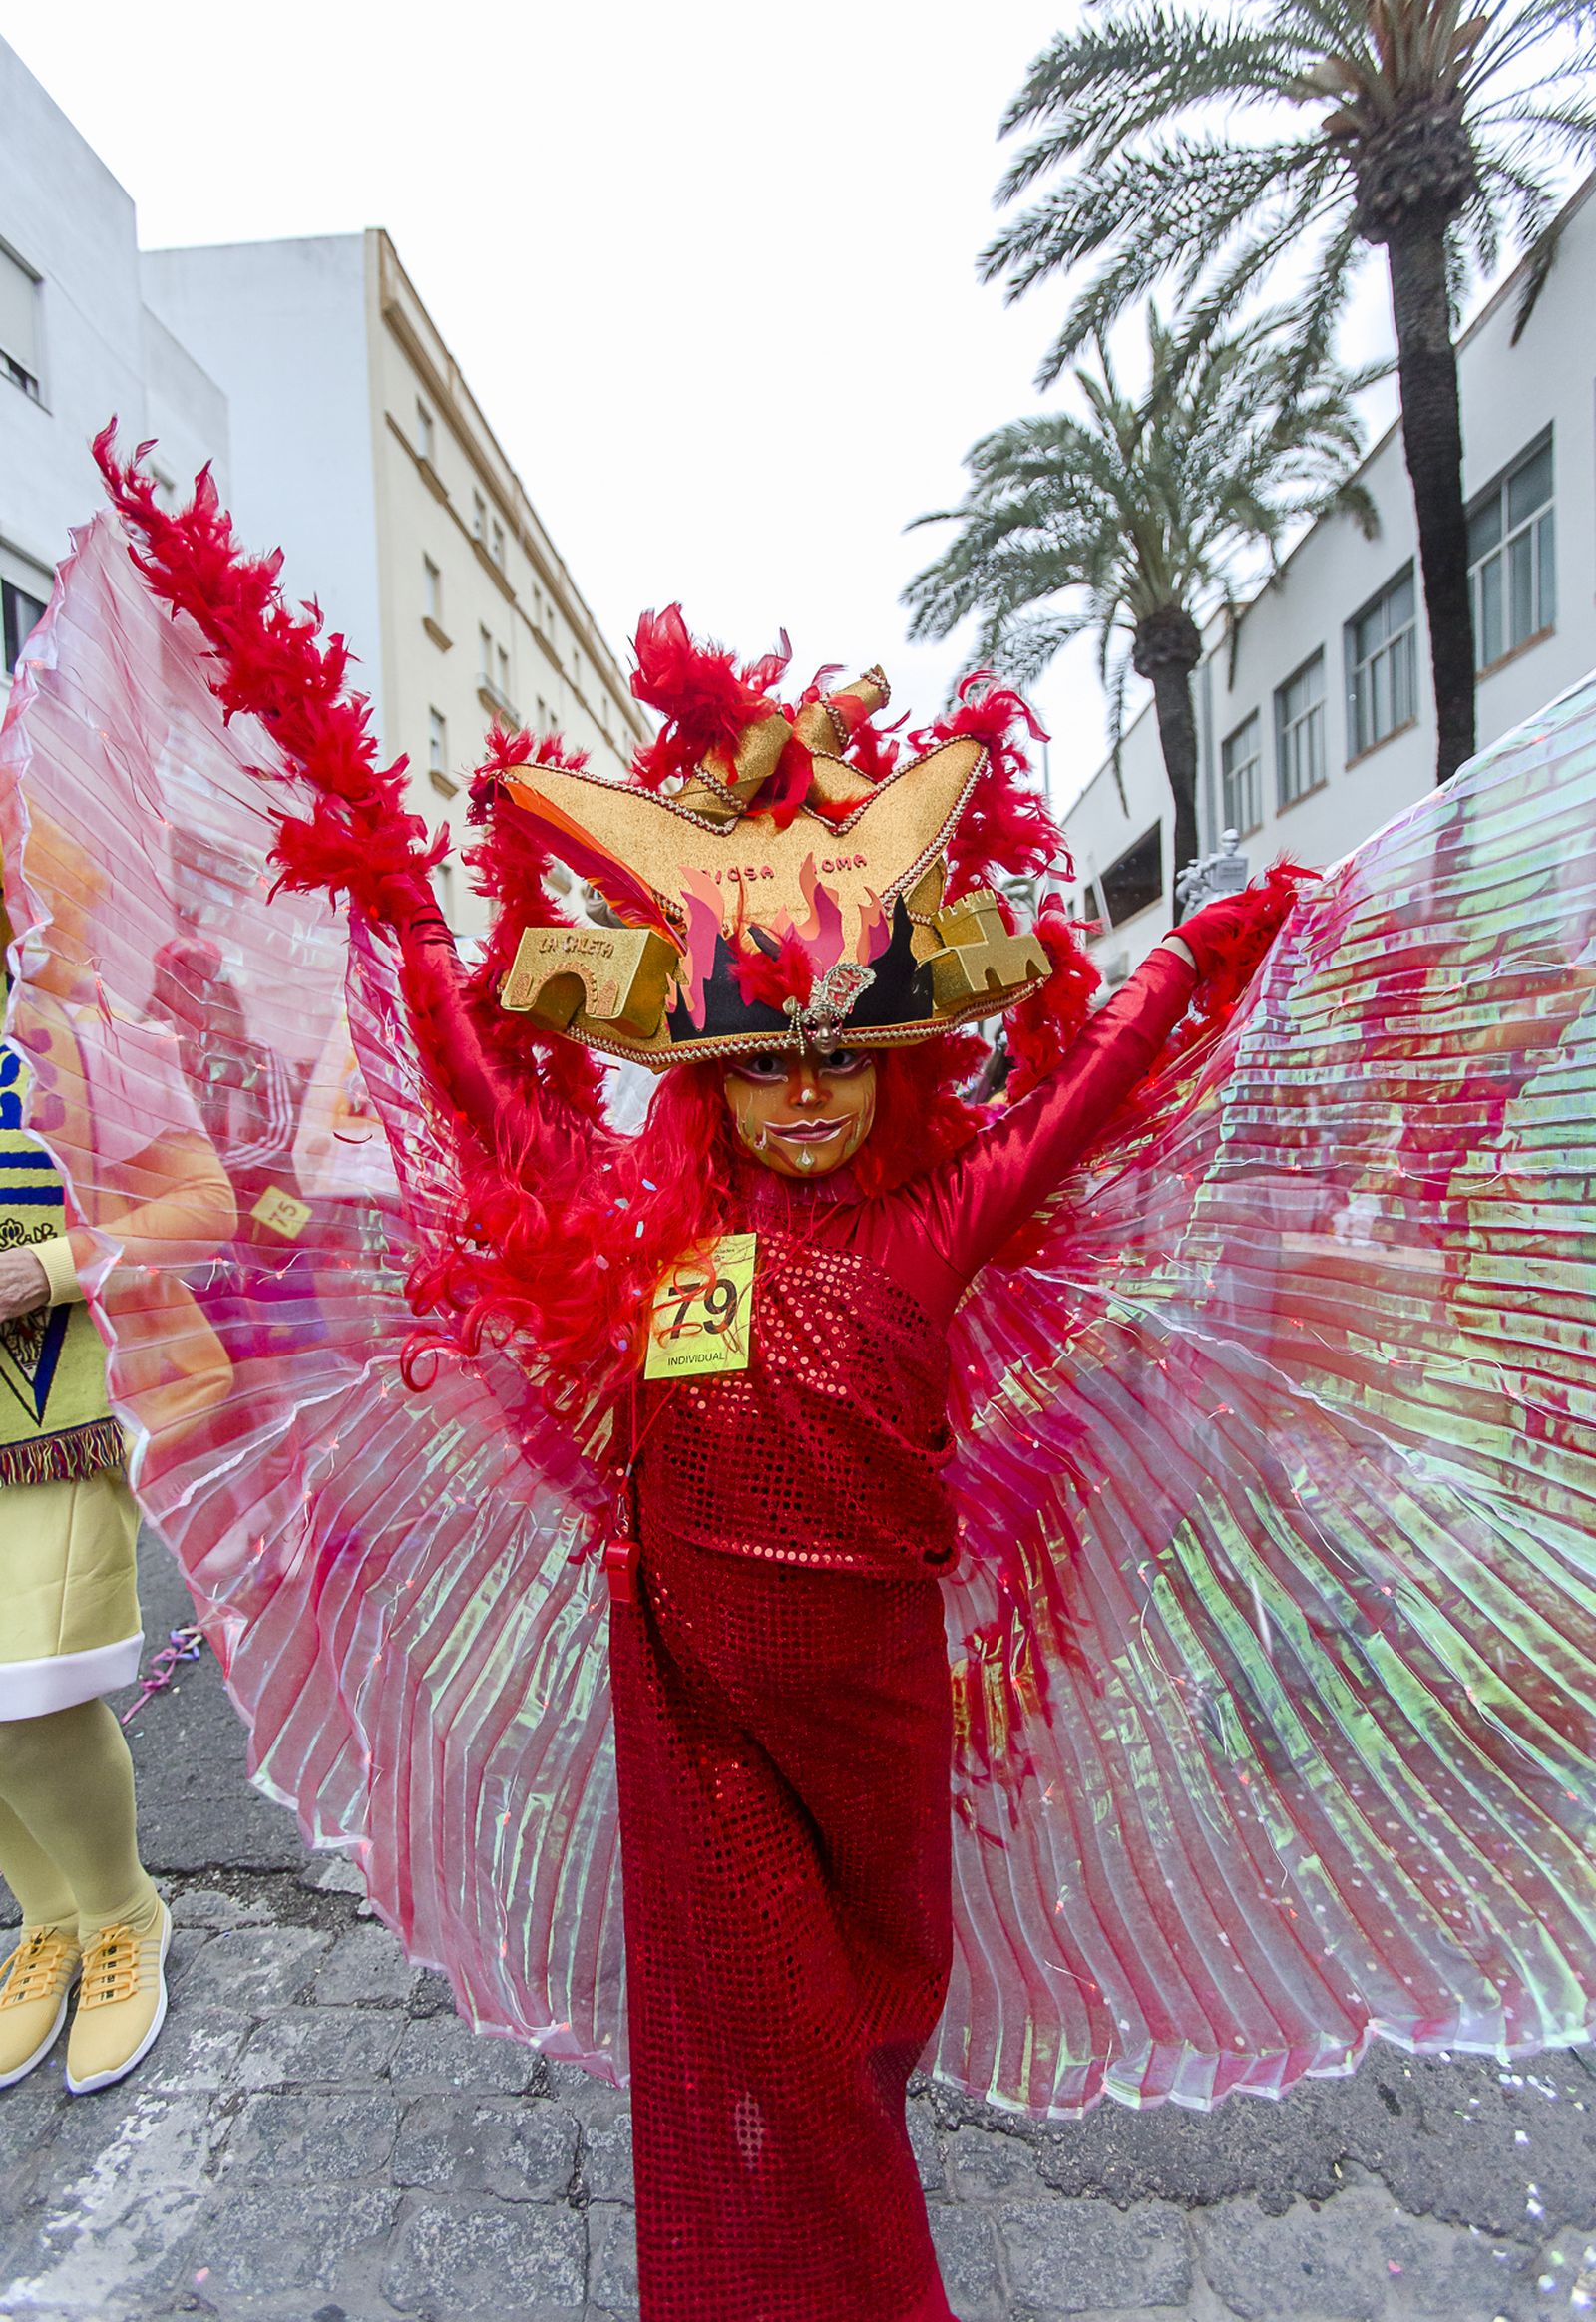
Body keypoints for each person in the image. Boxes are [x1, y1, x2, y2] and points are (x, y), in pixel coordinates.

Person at [19, 446, 1596, 2317]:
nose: (810, 1093)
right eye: (766, 1065)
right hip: (697, 1719)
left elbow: (1086, 1126)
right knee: (769, 2064)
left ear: (898, 1065)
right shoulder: (641, 1248)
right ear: (708, 1081)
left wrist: (1191, 967)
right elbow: (466, 1106)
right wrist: (393, 896)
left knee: (863, 2038)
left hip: (881, 1722)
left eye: (843, 1057)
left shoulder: (937, 1225)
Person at [0, 840, 234, 2097]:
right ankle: (43, 1918)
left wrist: (50, 1265)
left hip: (53, 1410)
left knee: (26, 1692)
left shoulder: (89, 1030)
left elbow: (203, 1206)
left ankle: (120, 1910)